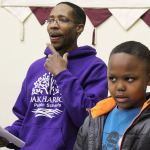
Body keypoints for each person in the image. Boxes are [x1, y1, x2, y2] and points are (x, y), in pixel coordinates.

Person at [0, 2, 108, 150]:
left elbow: (90, 121)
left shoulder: (95, 67)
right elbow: (24, 120)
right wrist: (7, 135)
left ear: (79, 28)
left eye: (62, 19)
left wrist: (62, 74)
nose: (53, 25)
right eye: (50, 20)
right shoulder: (36, 67)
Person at [74, 41, 150, 150]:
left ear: (148, 79)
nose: (119, 87)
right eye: (112, 78)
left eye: (129, 79)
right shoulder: (95, 117)